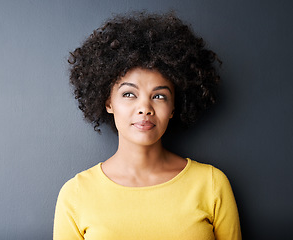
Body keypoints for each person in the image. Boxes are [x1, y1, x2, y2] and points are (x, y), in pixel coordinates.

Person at [53, 11, 241, 240]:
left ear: (173, 107)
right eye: (129, 94)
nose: (145, 108)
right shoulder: (75, 194)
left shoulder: (211, 184)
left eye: (159, 96)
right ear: (108, 102)